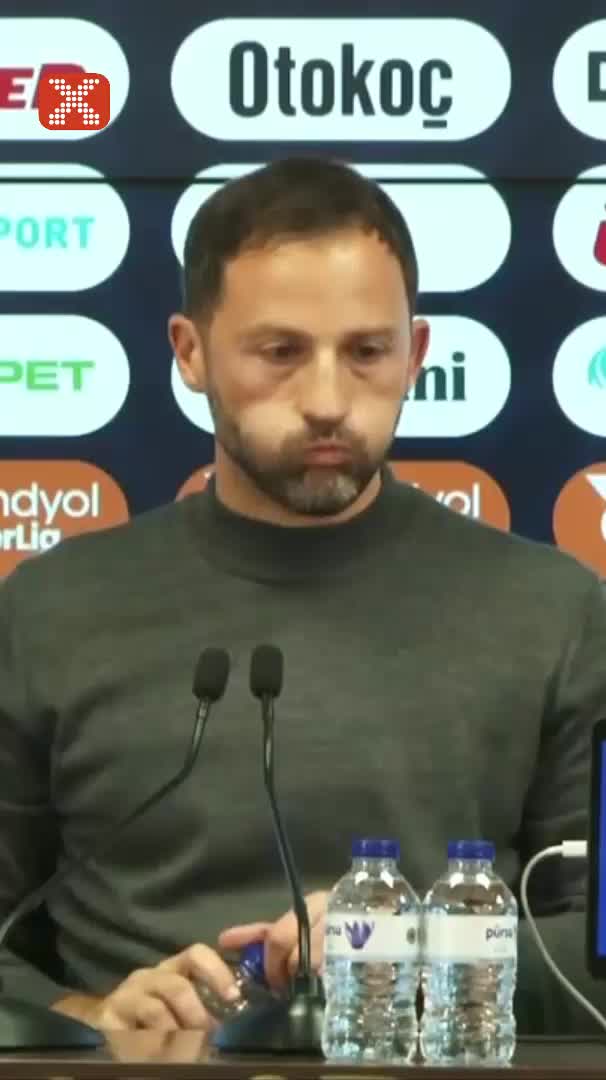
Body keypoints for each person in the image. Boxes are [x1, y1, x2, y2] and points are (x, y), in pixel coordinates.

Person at [0, 157, 604, 1039]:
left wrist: (420, 952)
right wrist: (86, 1020)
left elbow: (596, 950)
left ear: (416, 354)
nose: (327, 400)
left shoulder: (554, 610)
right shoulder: (49, 609)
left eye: (367, 352)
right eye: (280, 353)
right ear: (191, 352)